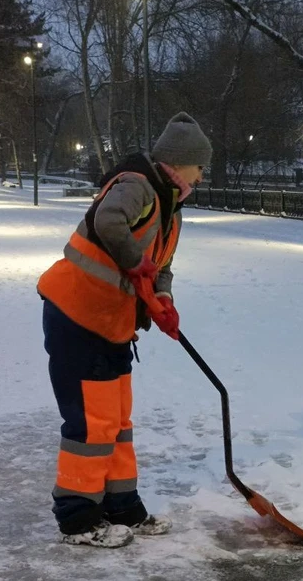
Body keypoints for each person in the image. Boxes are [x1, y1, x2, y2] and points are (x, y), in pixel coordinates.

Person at [37, 112, 211, 548]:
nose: (203, 175)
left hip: (112, 326)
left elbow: (162, 266)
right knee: (91, 425)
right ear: (180, 161)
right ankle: (78, 519)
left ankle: (122, 507)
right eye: (200, 165)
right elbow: (107, 221)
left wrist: (163, 299)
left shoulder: (171, 208)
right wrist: (136, 264)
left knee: (116, 422)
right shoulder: (138, 186)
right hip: (78, 317)